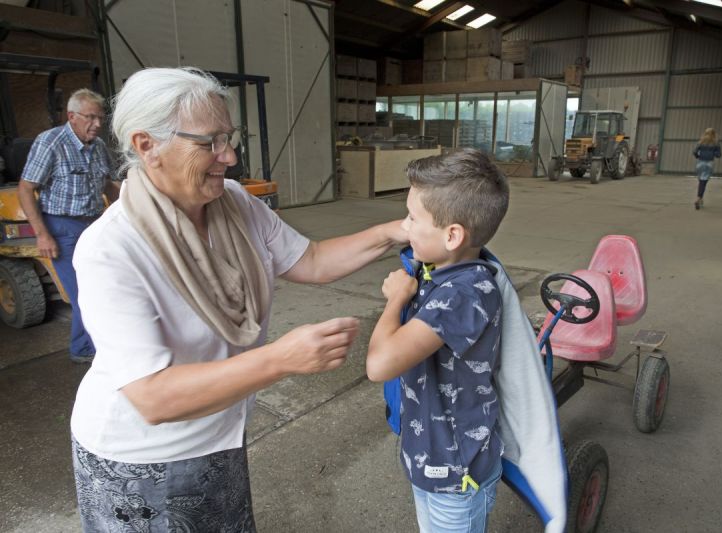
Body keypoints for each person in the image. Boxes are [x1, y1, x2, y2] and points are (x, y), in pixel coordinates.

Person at [69, 67, 407, 532]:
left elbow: (310, 259)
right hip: (143, 459)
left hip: (218, 433)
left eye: (229, 138)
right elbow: (152, 398)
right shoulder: (111, 248)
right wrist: (280, 359)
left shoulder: (232, 202)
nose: (228, 156)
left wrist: (397, 231)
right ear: (146, 145)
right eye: (208, 143)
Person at [366, 149, 509, 533]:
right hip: (429, 457)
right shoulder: (441, 270)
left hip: (454, 473)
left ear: (452, 235)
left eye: (413, 217)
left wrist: (397, 298)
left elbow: (379, 365)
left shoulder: (464, 293)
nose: (404, 225)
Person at [17, 88, 119, 363]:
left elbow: (108, 185)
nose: (97, 124)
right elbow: (26, 189)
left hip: (94, 224)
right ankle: (83, 349)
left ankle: (98, 343)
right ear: (72, 116)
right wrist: (42, 235)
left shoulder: (98, 147)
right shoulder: (50, 142)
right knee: (85, 293)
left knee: (107, 285)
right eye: (91, 117)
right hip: (62, 227)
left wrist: (128, 212)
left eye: (100, 118)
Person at [692, 127, 721, 210]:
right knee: (703, 182)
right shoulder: (716, 143)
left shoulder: (701, 142)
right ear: (714, 134)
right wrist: (713, 153)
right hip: (709, 163)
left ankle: (700, 198)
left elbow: (694, 152)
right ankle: (699, 198)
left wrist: (698, 156)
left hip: (700, 163)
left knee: (701, 181)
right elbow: (719, 155)